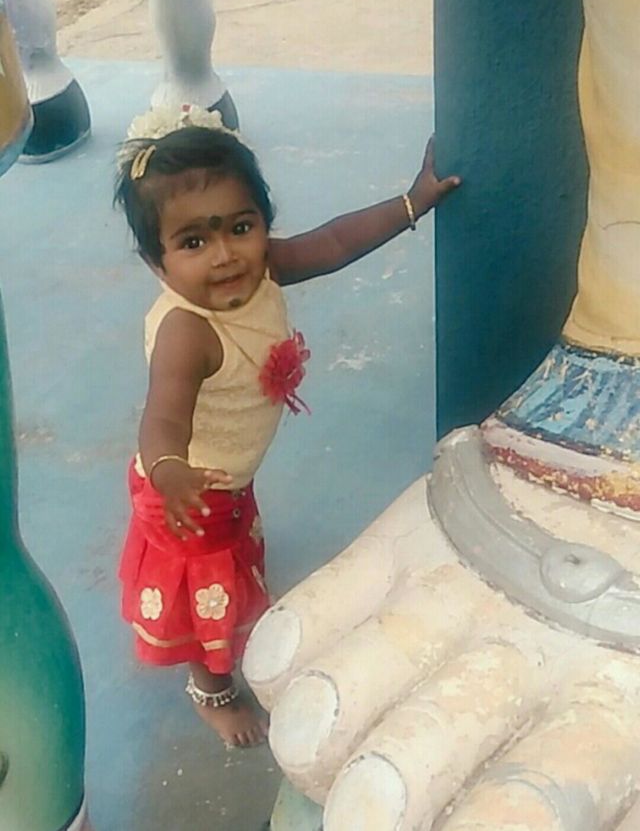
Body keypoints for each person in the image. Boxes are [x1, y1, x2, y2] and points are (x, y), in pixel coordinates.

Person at [114, 106, 460, 748]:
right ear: (156, 262)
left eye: (240, 228)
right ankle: (212, 690)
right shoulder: (188, 332)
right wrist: (169, 471)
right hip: (187, 492)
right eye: (193, 243)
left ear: (263, 223)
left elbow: (333, 244)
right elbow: (161, 418)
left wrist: (412, 202)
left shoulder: (263, 267)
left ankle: (225, 636)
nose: (225, 256)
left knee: (233, 571)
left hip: (224, 481)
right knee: (206, 600)